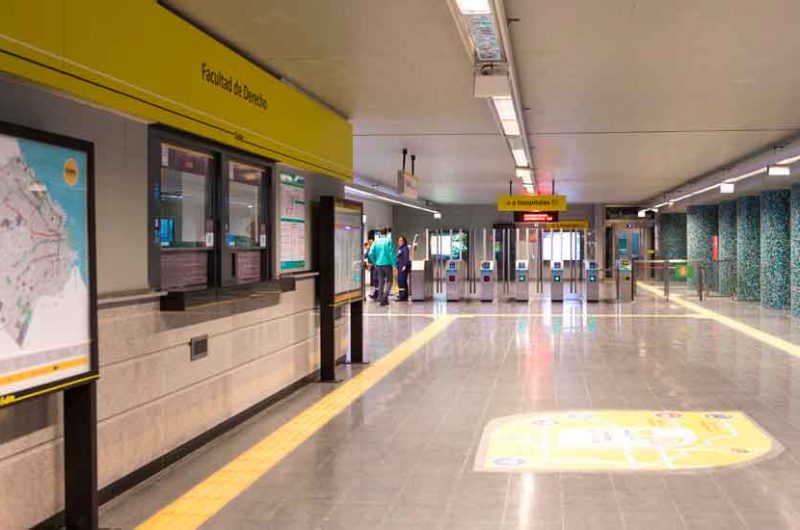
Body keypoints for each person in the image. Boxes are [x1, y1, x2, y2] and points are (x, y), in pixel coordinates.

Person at [367, 231, 397, 306]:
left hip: (379, 265)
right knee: (390, 281)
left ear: (380, 233)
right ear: (386, 233)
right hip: (387, 265)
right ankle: (384, 297)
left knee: (381, 282)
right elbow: (391, 253)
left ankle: (380, 298)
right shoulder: (389, 241)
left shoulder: (376, 241)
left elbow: (370, 253)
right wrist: (394, 265)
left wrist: (375, 262)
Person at [396, 235, 411, 301]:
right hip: (400, 267)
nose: (399, 242)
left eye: (401, 240)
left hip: (403, 268)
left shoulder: (405, 248)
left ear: (404, 241)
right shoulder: (400, 248)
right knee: (402, 281)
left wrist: (404, 266)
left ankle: (402, 297)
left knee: (401, 281)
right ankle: (404, 296)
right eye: (399, 240)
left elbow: (406, 258)